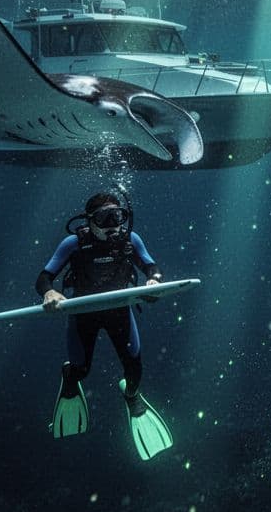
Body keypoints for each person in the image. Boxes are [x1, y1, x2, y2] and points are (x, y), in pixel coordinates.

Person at [36, 191, 173, 460]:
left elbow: (152, 267)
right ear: (90, 222)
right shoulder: (73, 243)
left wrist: (154, 281)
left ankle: (131, 396)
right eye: (104, 217)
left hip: (119, 311)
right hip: (82, 313)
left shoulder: (130, 240)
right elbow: (44, 277)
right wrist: (49, 294)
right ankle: (70, 378)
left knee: (134, 370)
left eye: (118, 216)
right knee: (81, 370)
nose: (113, 224)